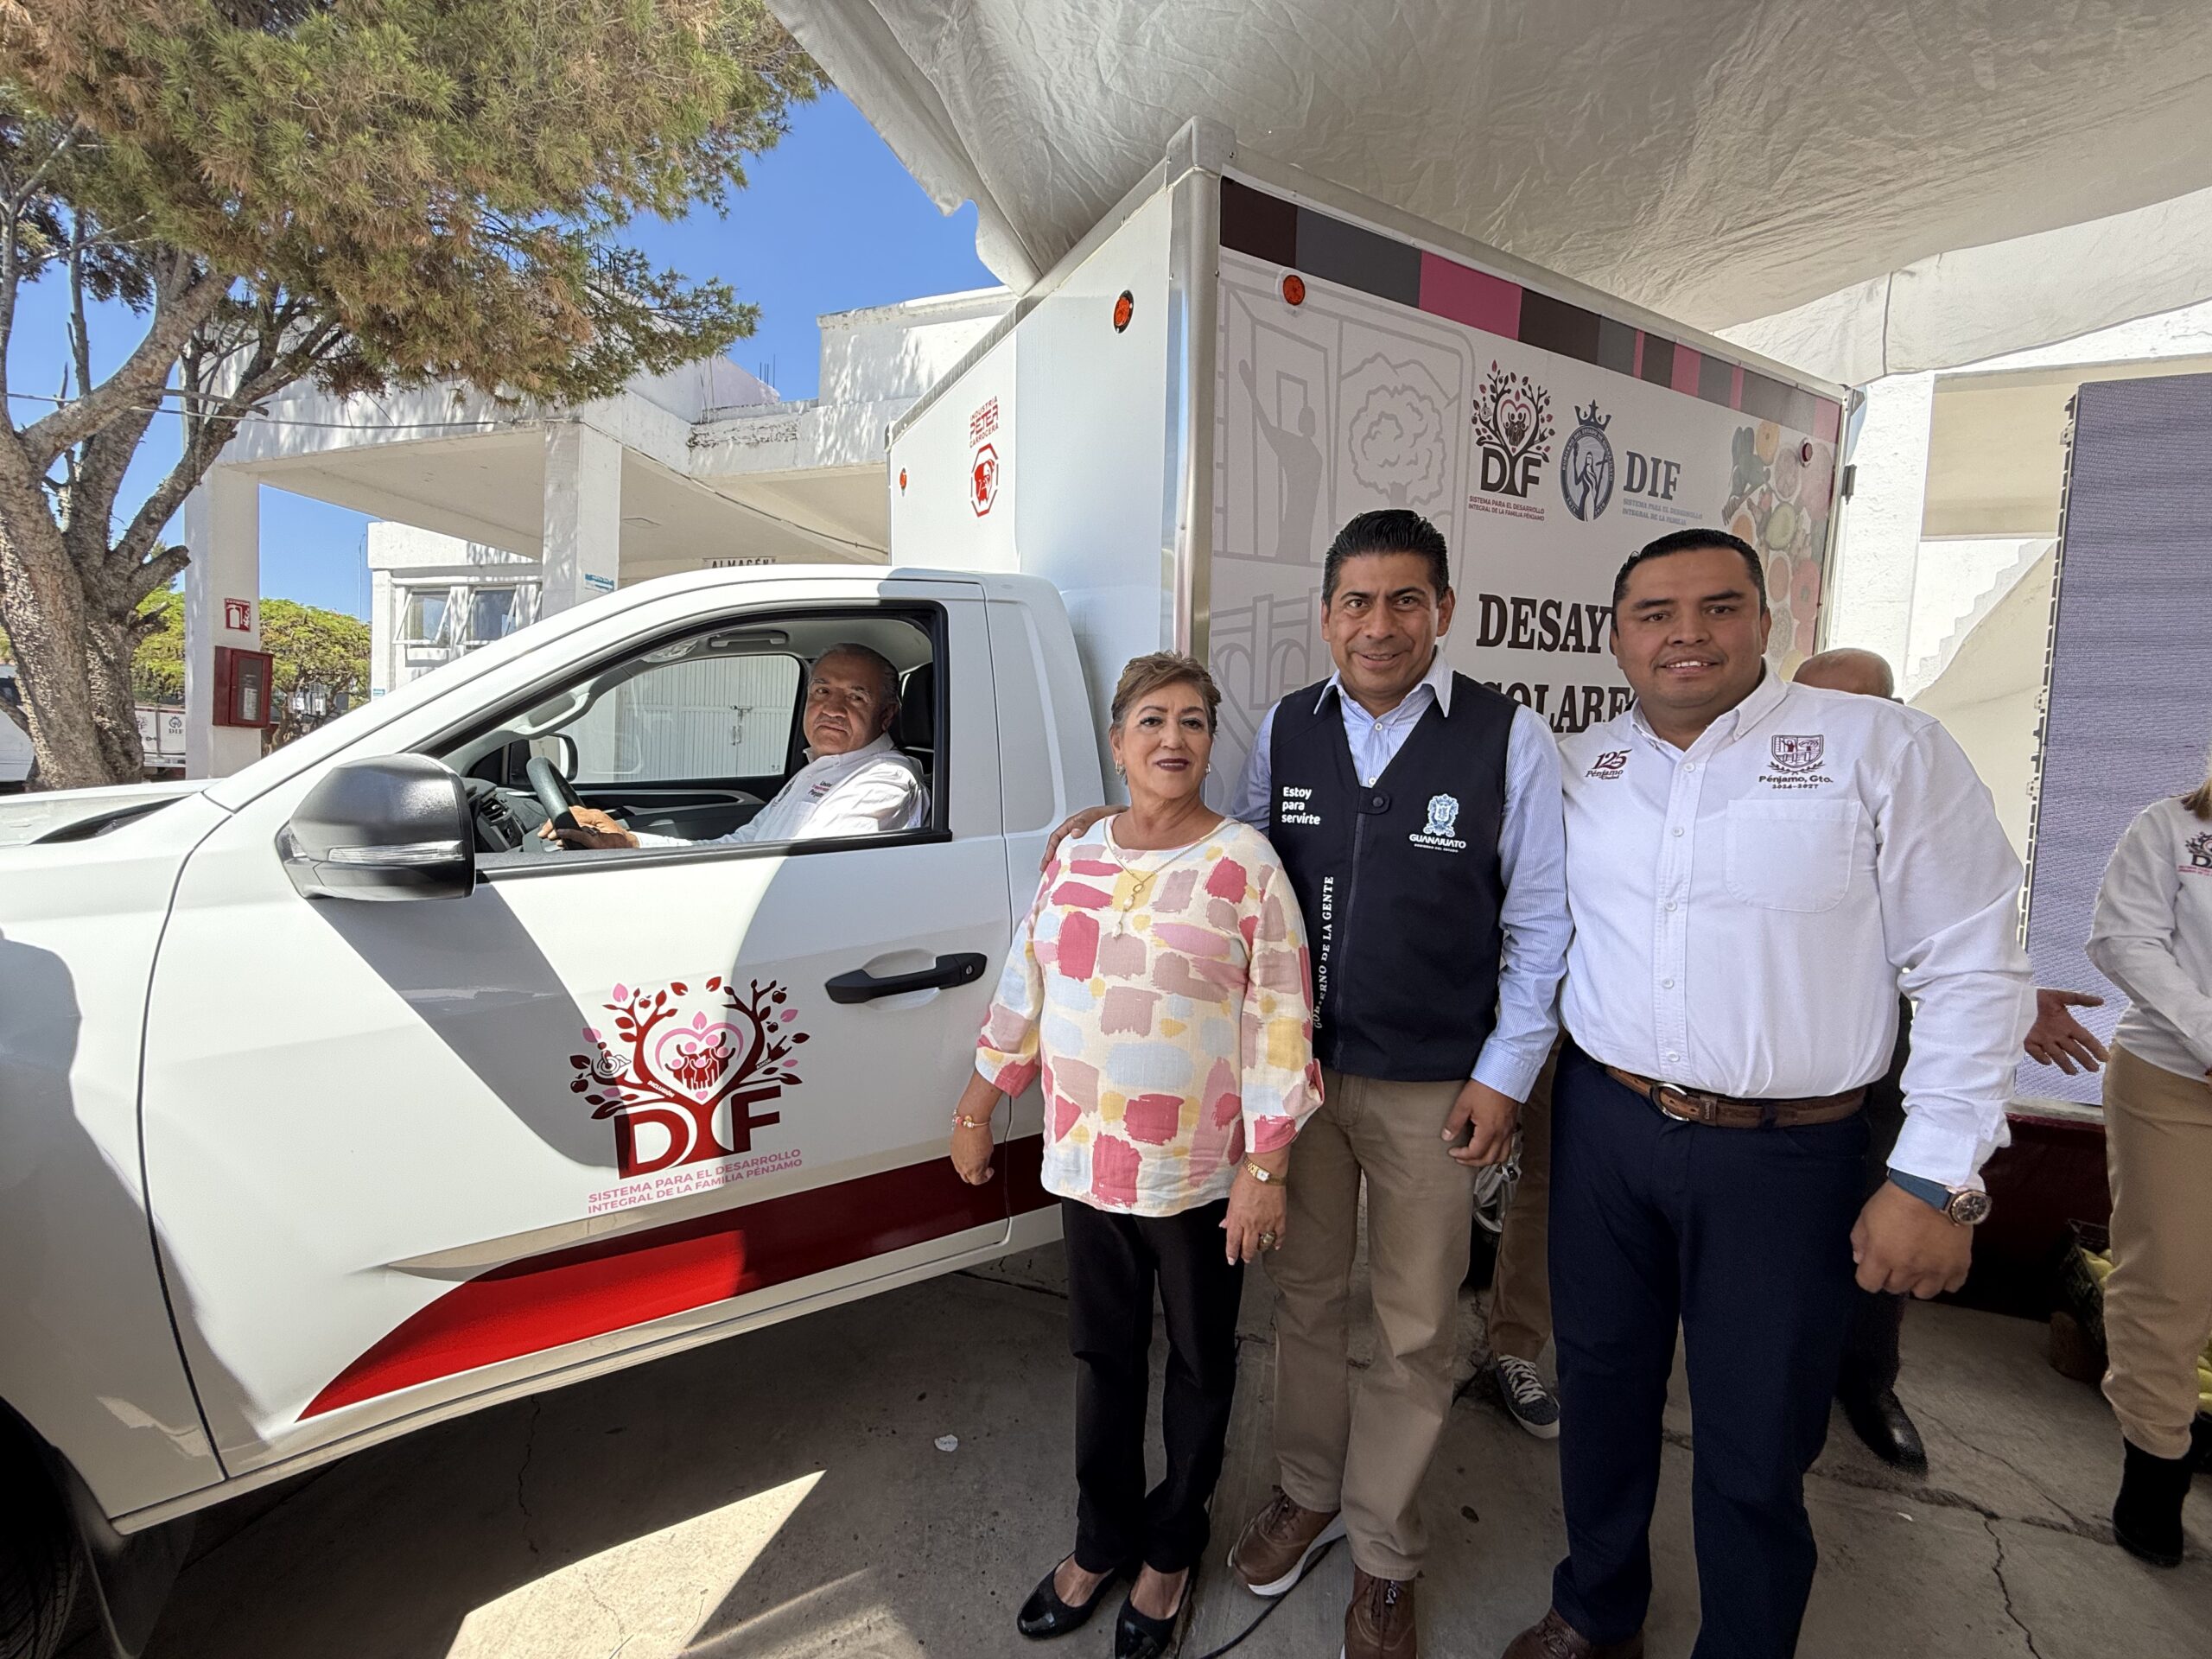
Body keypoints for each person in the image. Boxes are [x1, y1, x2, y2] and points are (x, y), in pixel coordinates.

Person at [1046, 509, 1568, 1659]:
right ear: (1326, 616)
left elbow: (1540, 925)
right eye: (1357, 602)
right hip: (1298, 1087)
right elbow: (1227, 856)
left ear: (1443, 610)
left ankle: (1385, 1553)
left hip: (1435, 1088)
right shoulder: (1289, 727)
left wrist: (1504, 1075)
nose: (1380, 625)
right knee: (1307, 1305)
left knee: (1417, 1325)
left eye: (1405, 600)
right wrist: (1118, 826)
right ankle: (1308, 1493)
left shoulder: (1507, 739)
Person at [1503, 529, 2031, 1659]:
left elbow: (1971, 962)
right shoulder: (1576, 766)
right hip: (1605, 1125)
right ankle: (1596, 1607)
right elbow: (1512, 917)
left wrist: (1936, 1176)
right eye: (1654, 614)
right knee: (1599, 1385)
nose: (1685, 634)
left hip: (1787, 1155)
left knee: (1756, 1435)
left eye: (1717, 607)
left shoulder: (1880, 749)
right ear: (1616, 638)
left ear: (1762, 621)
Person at [951, 652, 1322, 1659]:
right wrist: (978, 1104)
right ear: (1117, 743)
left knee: (1199, 1365)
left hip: (1200, 1176)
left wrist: (1266, 1168)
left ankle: (1170, 1550)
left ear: (1209, 743)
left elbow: (1281, 1022)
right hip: (1088, 1163)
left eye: (1193, 721)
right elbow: (1026, 988)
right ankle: (1101, 1539)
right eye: (1152, 720)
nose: (1173, 738)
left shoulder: (1245, 864)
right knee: (1101, 1359)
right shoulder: (1074, 853)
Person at [1795, 648, 2113, 1470]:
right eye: (1817, 708)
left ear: (1896, 713)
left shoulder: (1921, 785)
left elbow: (1965, 942)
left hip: (1884, 1053)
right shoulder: (1756, 789)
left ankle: (1869, 1383)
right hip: (1777, 1065)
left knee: (1887, 1210)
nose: (1839, 727)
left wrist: (2018, 1004)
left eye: (1863, 709)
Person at [2084, 765, 2212, 1566]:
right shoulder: (2173, 828)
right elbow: (2123, 940)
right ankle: (2158, 1469)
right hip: (2174, 1082)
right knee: (2170, 1279)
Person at [543, 643, 925, 849]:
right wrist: (629, 843)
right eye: (822, 691)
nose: (832, 709)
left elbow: (797, 877)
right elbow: (744, 844)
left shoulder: (884, 779)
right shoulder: (824, 768)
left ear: (886, 715)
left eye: (856, 697)